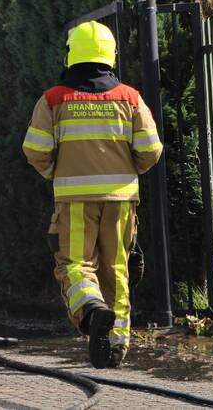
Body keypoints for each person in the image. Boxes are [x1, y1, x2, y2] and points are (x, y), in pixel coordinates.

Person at [22, 20, 163, 369]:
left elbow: (35, 150)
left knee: (75, 265)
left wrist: (58, 173)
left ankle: (90, 310)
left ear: (71, 55)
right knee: (117, 268)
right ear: (111, 55)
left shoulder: (54, 99)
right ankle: (116, 346)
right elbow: (151, 150)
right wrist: (127, 174)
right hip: (121, 201)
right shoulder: (130, 98)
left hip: (74, 201)